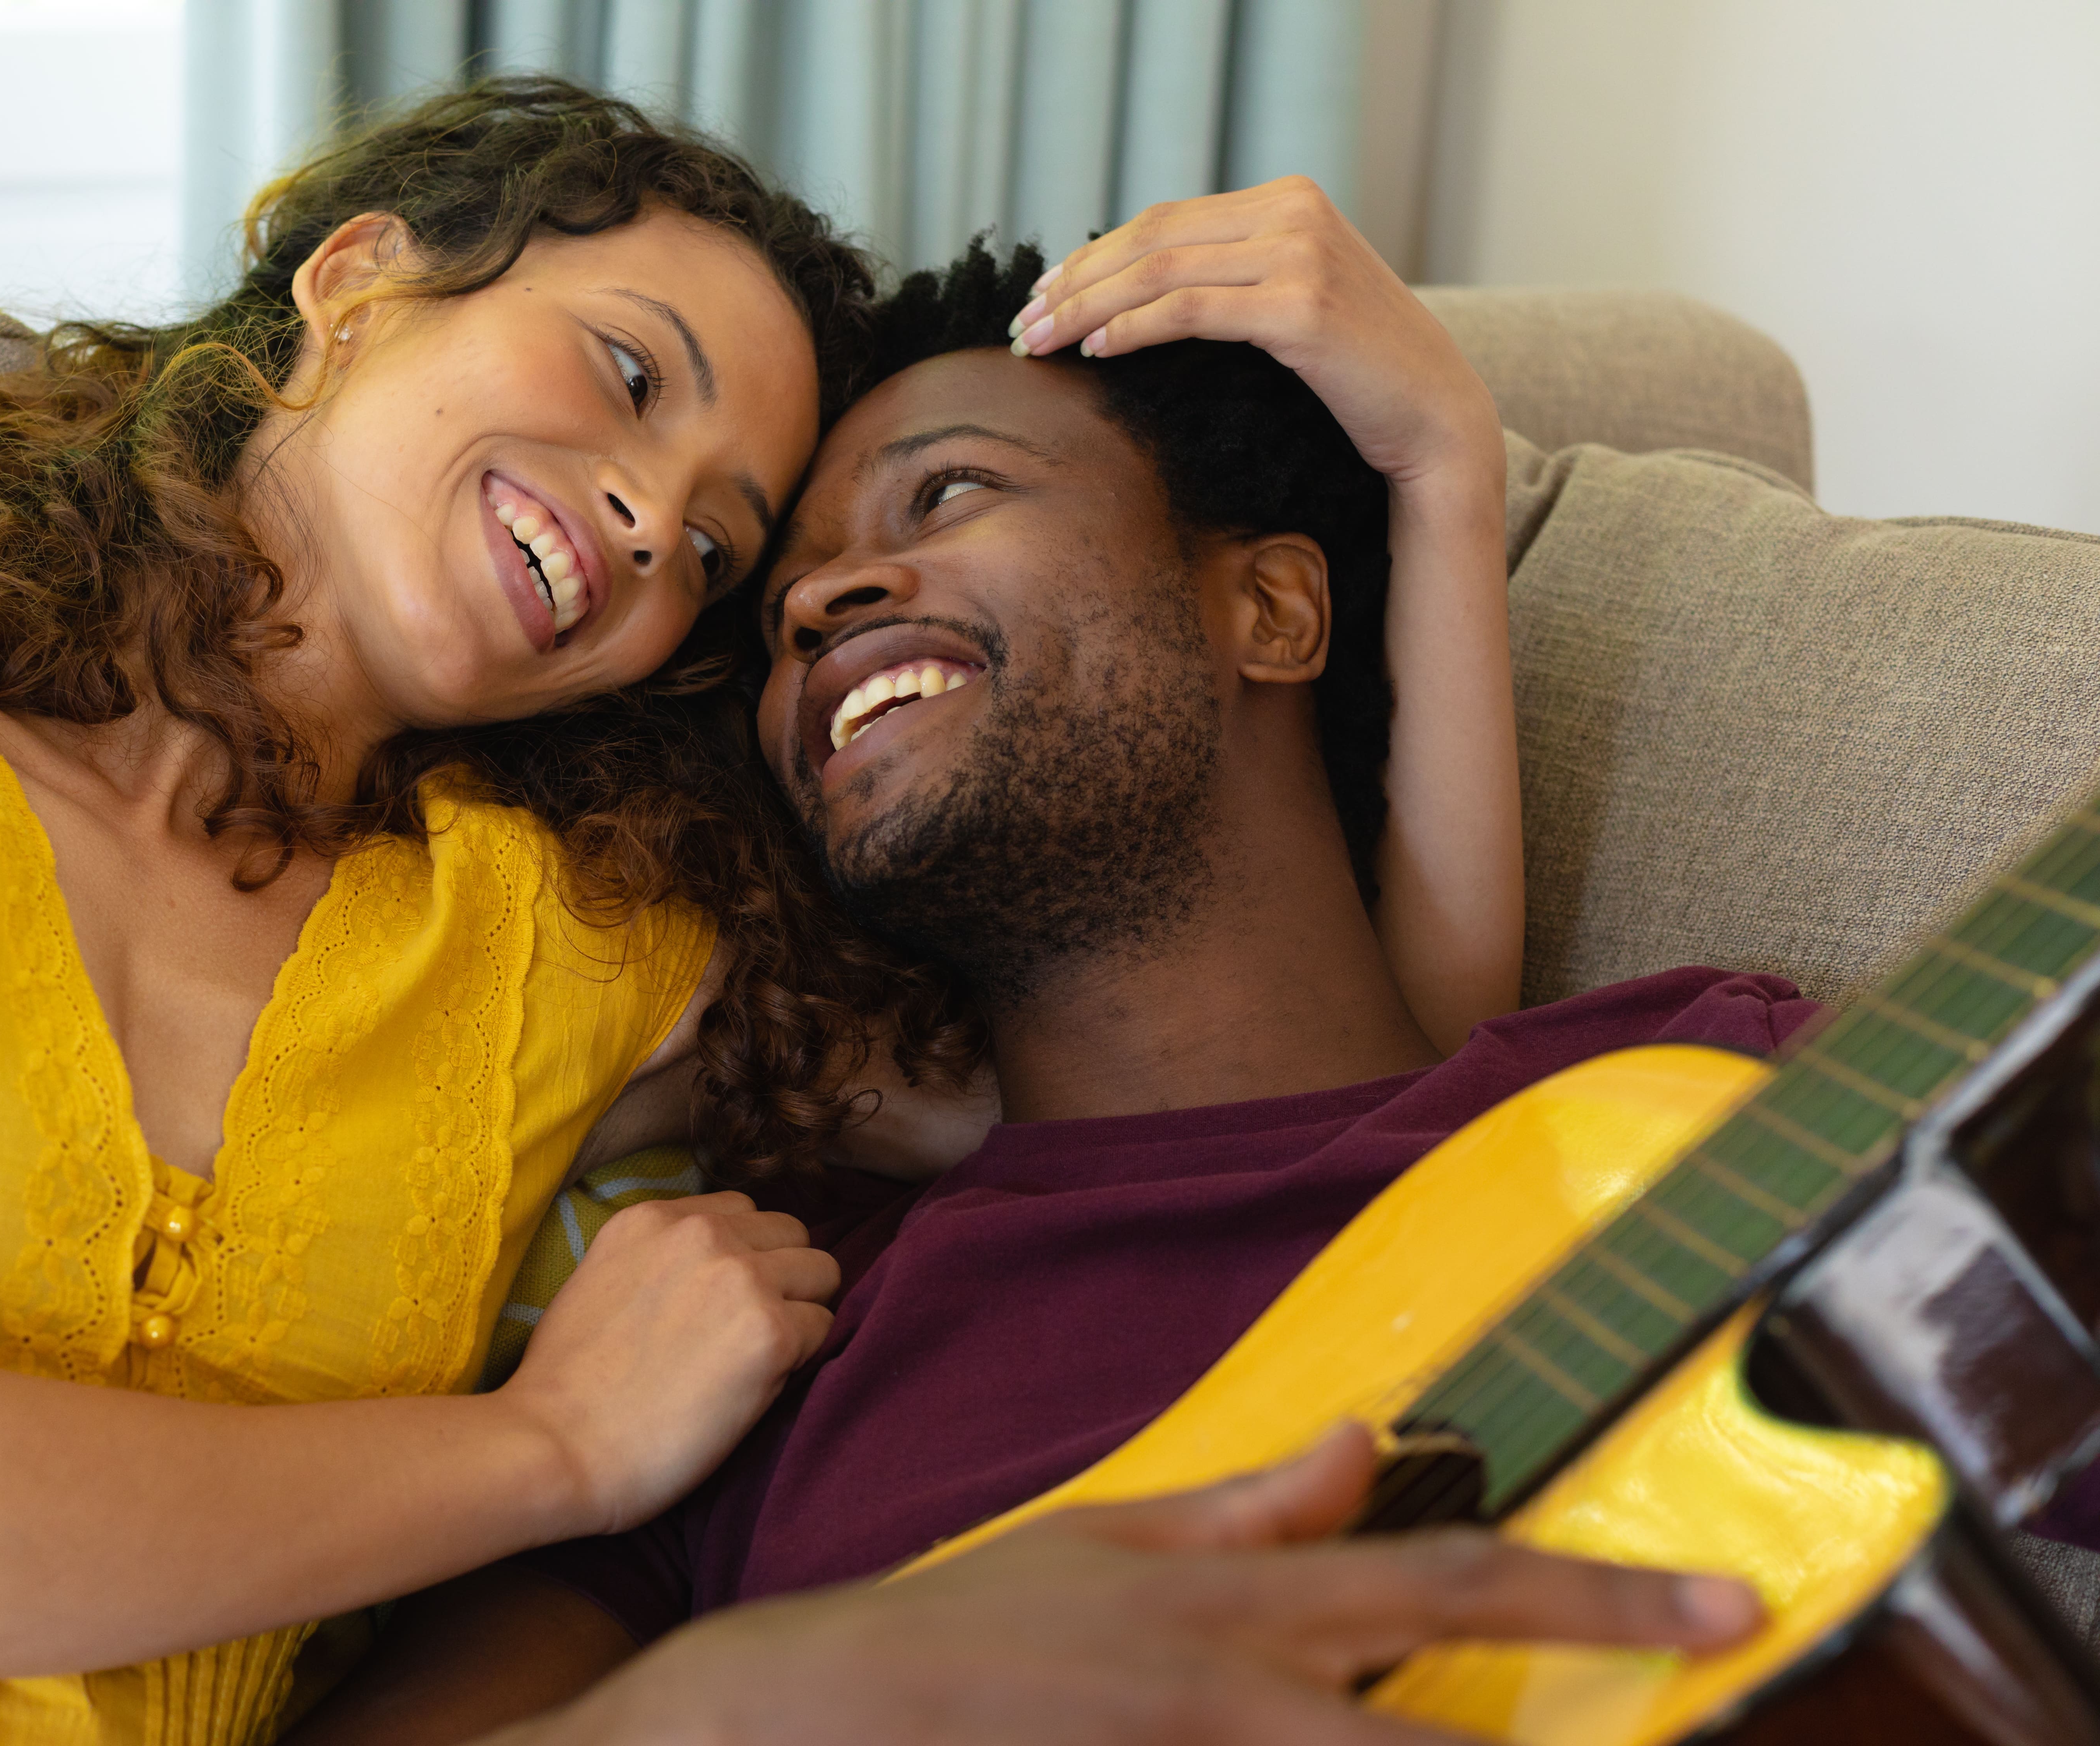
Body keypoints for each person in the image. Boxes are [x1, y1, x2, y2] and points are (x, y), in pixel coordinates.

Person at [0, 83, 1529, 1746]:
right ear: (361, 281)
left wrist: (1442, 467)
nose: (652, 517)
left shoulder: (579, 947)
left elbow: (1315, 1068)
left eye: (713, 540)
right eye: (632, 375)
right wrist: (556, 1450)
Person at [289, 229, 1795, 1744]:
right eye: (774, 600)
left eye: (947, 492)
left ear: (1271, 611)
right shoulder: (756, 1319)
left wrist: (1445, 469)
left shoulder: (1691, 1095)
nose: (818, 603)